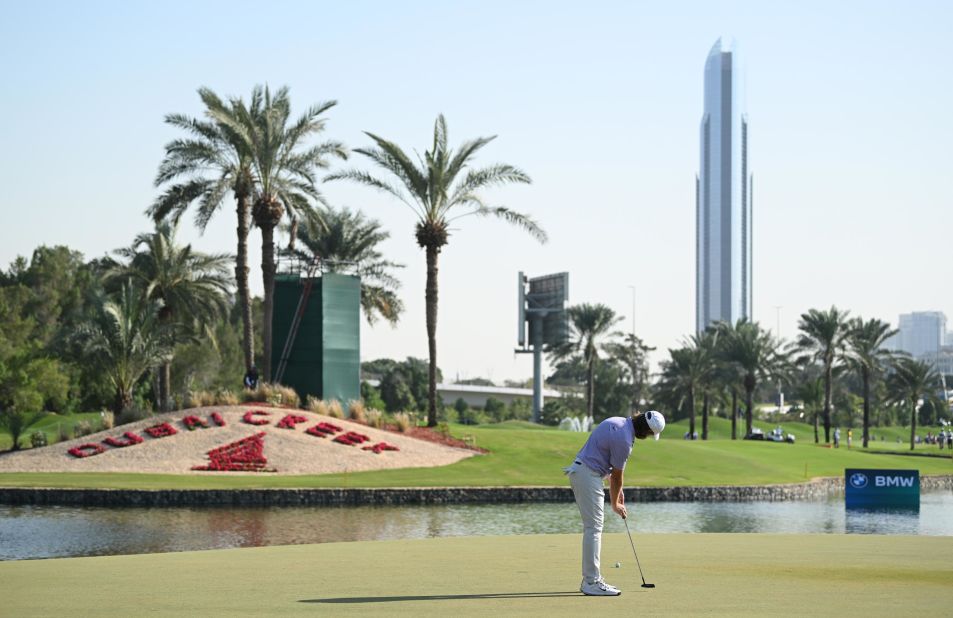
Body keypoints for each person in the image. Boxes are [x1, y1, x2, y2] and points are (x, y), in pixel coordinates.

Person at [564, 410, 666, 596]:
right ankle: (591, 582)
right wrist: (616, 504)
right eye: (651, 435)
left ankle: (591, 579)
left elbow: (607, 463)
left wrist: (618, 493)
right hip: (588, 474)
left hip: (584, 471)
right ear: (646, 431)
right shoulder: (625, 440)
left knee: (593, 527)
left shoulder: (618, 422)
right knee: (594, 528)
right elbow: (618, 476)